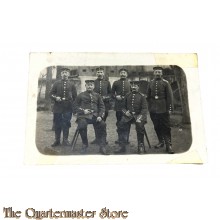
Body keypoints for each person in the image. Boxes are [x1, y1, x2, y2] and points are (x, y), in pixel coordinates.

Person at [75, 80, 108, 155]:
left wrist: (100, 116)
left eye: (91, 85)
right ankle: (85, 144)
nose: (89, 86)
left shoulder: (97, 95)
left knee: (102, 124)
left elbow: (102, 107)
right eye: (88, 85)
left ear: (94, 86)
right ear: (85, 86)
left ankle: (102, 146)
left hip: (95, 116)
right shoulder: (81, 95)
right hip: (83, 116)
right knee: (82, 125)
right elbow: (75, 106)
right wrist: (83, 111)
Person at [147, 66, 174, 154]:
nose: (157, 73)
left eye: (159, 72)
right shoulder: (150, 83)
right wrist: (148, 107)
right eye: (156, 72)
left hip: (163, 108)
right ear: (153, 73)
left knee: (166, 127)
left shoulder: (166, 83)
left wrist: (169, 108)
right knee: (157, 126)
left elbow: (170, 96)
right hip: (153, 109)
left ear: (162, 73)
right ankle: (161, 141)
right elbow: (148, 96)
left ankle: (168, 145)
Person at [115, 81, 147, 154]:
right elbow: (123, 107)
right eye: (132, 86)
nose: (133, 87)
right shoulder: (127, 95)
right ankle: (122, 145)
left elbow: (144, 109)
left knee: (139, 126)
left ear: (138, 87)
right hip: (128, 116)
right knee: (120, 125)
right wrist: (125, 112)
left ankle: (140, 145)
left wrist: (140, 117)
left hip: (138, 116)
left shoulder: (142, 96)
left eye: (135, 86)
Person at [50, 67, 77, 147]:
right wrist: (56, 97)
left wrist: (74, 107)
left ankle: (65, 140)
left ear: (68, 74)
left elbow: (75, 97)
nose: (64, 74)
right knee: (57, 123)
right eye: (63, 73)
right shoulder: (56, 83)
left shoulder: (72, 84)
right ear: (61, 74)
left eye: (66, 72)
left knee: (66, 123)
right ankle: (57, 140)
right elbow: (51, 94)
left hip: (68, 108)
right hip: (57, 107)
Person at [90, 67, 112, 144]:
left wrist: (105, 97)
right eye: (98, 72)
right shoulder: (93, 82)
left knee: (103, 122)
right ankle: (97, 139)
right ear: (96, 73)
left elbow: (110, 93)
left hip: (105, 105)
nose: (99, 74)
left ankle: (103, 140)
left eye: (101, 72)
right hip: (95, 106)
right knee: (95, 122)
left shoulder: (107, 82)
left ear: (103, 73)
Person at [112, 68, 131, 143]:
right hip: (119, 106)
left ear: (127, 74)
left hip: (127, 107)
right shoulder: (116, 83)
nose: (123, 74)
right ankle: (120, 138)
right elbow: (112, 93)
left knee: (127, 122)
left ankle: (126, 139)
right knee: (119, 122)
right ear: (119, 74)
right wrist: (116, 96)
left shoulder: (130, 83)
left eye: (124, 73)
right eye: (121, 73)